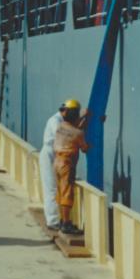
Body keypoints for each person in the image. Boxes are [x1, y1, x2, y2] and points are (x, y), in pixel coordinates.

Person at [38, 99, 87, 231]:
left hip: (57, 157)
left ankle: (60, 220)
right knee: (52, 188)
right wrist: (81, 128)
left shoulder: (64, 121)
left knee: (59, 188)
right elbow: (67, 136)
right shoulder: (55, 122)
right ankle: (53, 221)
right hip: (51, 155)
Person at [53, 101, 89, 235]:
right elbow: (84, 149)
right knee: (67, 193)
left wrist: (82, 119)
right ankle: (66, 224)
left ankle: (62, 220)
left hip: (56, 162)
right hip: (67, 164)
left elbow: (72, 128)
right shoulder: (78, 133)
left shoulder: (61, 126)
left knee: (60, 192)